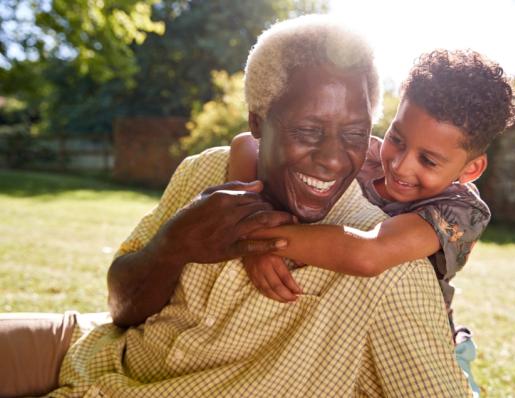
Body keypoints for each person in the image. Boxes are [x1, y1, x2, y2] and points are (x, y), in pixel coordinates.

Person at [0, 15, 471, 397]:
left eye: (352, 135)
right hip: (96, 350)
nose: (332, 158)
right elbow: (121, 309)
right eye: (308, 131)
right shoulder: (207, 172)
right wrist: (172, 246)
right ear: (258, 123)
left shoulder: (390, 272)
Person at [228, 49, 515, 395]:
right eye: (397, 140)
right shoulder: (362, 155)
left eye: (427, 160)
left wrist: (258, 239)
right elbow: (247, 144)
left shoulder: (459, 211)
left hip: (421, 344)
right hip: (346, 324)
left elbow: (368, 253)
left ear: (470, 169)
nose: (400, 165)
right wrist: (251, 217)